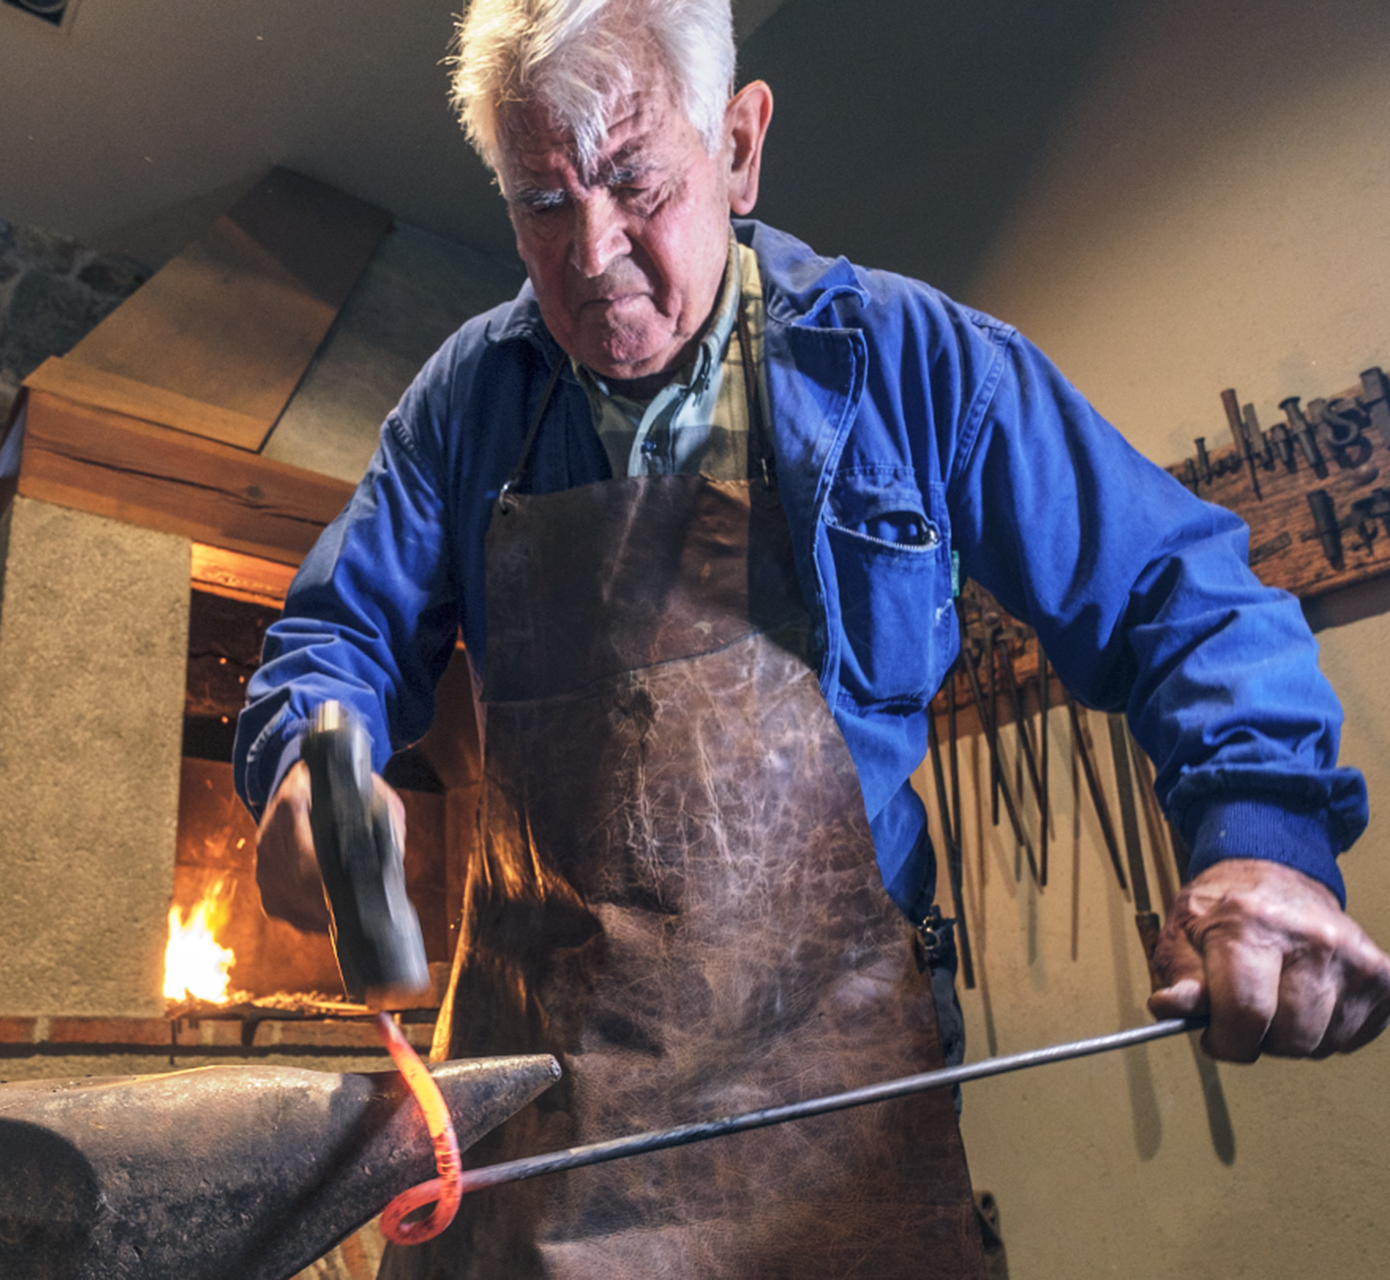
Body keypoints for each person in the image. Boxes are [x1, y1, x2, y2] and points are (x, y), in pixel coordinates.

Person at [237, 0, 1390, 1272]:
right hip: (544, 1105)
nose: (591, 252)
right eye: (540, 204)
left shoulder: (915, 363)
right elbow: (339, 635)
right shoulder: (466, 401)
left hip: (838, 1109)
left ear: (738, 145)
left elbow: (1182, 593)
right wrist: (308, 765)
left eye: (632, 182)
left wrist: (1266, 840)